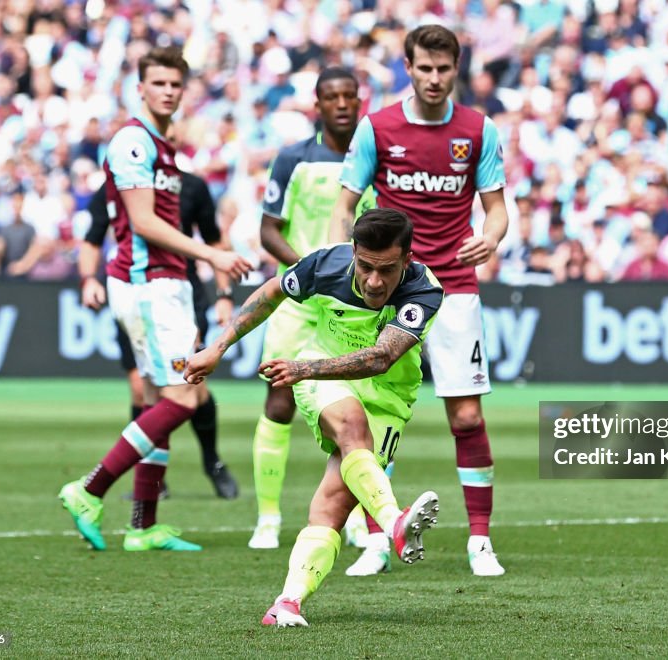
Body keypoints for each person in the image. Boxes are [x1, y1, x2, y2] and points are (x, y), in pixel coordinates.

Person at [185, 209, 442, 627]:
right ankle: (395, 523)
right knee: (350, 427)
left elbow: (381, 358)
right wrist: (219, 347)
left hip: (388, 397)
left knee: (333, 505)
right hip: (323, 370)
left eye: (387, 270)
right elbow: (271, 292)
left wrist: (305, 370)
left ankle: (286, 603)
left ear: (407, 260)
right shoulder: (326, 263)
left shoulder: (424, 289)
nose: (375, 282)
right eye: (366, 267)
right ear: (354, 252)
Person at [331, 24, 509, 577]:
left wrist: (493, 234)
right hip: (388, 292)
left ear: (457, 69)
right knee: (374, 421)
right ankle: (379, 539)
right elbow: (345, 205)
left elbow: (497, 207)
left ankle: (479, 541)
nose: (434, 79)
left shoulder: (478, 131)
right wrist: (347, 265)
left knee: (465, 416)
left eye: (444, 69)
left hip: (454, 286)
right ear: (408, 68)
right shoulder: (377, 127)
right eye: (424, 69)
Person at [58, 46, 252, 552]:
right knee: (186, 396)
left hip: (165, 285)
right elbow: (142, 222)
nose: (167, 91)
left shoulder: (163, 147)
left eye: (175, 84)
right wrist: (213, 254)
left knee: (162, 396)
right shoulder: (133, 142)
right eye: (158, 83)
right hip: (148, 285)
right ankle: (89, 488)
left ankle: (143, 526)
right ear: (140, 88)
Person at [249, 67, 375, 550]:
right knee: (278, 401)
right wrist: (309, 271)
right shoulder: (292, 159)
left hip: (353, 306)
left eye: (349, 96)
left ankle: (358, 519)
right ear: (317, 104)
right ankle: (267, 518)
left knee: (354, 413)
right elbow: (268, 230)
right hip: (299, 301)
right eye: (331, 97)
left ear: (359, 101)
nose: (342, 104)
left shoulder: (374, 161)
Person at [79, 170, 240, 500]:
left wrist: (224, 293)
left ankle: (212, 462)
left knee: (190, 385)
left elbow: (215, 240)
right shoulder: (117, 184)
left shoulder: (192, 186)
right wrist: (88, 279)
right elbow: (93, 237)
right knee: (142, 390)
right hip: (134, 292)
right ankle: (152, 487)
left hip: (181, 294)